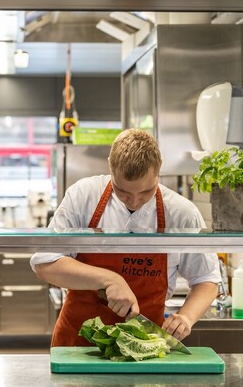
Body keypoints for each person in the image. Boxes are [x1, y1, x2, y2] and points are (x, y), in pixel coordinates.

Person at [30, 129, 220, 346]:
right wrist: (110, 280)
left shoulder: (180, 212)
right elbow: (45, 264)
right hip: (80, 344)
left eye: (146, 192)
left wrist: (186, 316)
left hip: (144, 345)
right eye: (123, 192)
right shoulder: (83, 196)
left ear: (159, 170)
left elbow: (207, 279)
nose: (134, 201)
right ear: (110, 167)